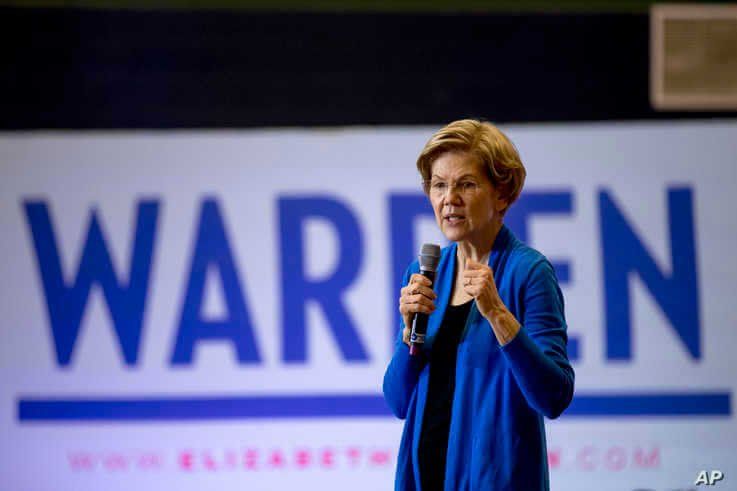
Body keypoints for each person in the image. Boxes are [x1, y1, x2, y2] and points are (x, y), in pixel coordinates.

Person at [382, 119, 575, 491]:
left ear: (502, 194)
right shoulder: (424, 273)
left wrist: (499, 315)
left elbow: (554, 396)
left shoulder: (528, 271)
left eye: (466, 184)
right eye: (439, 185)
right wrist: (409, 335)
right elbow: (397, 400)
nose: (448, 198)